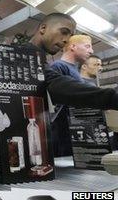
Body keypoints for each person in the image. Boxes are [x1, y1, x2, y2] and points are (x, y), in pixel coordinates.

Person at [21, 13, 118, 157]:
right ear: (43, 28)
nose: (66, 39)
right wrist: (112, 98)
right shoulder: (24, 56)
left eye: (70, 35)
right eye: (64, 32)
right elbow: (57, 85)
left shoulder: (38, 59)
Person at [50, 35, 93, 156]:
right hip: (62, 133)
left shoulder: (74, 70)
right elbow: (54, 105)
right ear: (73, 46)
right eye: (87, 46)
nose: (91, 51)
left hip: (74, 130)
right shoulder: (58, 66)